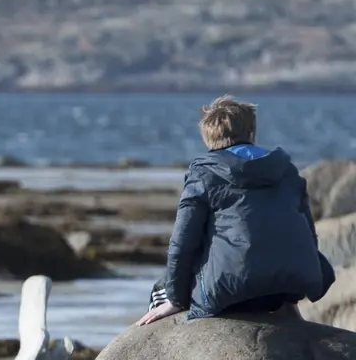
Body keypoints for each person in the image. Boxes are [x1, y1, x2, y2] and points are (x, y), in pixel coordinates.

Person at [137, 96, 334, 326]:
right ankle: (288, 309)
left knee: (160, 292)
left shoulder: (205, 173)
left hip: (233, 293)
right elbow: (307, 234)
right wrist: (291, 298)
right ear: (251, 133)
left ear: (208, 137)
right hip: (289, 290)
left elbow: (182, 243)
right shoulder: (286, 170)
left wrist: (176, 299)